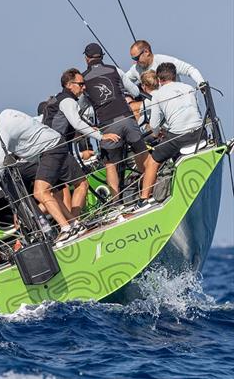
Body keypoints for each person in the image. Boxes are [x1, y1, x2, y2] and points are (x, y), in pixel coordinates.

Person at [38, 68, 121, 241]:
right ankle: (74, 224)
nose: (83, 88)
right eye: (80, 84)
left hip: (47, 151)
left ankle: (70, 225)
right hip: (57, 150)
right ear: (69, 85)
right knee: (81, 184)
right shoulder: (68, 101)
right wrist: (100, 136)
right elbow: (76, 123)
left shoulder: (56, 100)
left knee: (59, 193)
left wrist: (88, 130)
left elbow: (61, 125)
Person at [82, 42, 148, 199]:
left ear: (86, 59)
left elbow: (81, 107)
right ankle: (148, 189)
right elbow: (134, 91)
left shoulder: (83, 79)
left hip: (108, 125)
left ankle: (116, 203)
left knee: (110, 165)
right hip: (127, 118)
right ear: (102, 56)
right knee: (141, 152)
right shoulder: (115, 70)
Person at [137, 63, 205, 208]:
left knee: (153, 160)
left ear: (159, 79)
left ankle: (143, 199)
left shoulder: (158, 95)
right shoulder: (189, 88)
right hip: (200, 133)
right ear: (174, 75)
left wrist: (157, 134)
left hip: (180, 137)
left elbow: (154, 126)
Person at [126, 39, 206, 87]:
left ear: (146, 52)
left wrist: (201, 83)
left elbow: (189, 69)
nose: (135, 61)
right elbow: (123, 80)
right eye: (133, 58)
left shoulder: (164, 61)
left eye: (136, 58)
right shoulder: (135, 69)